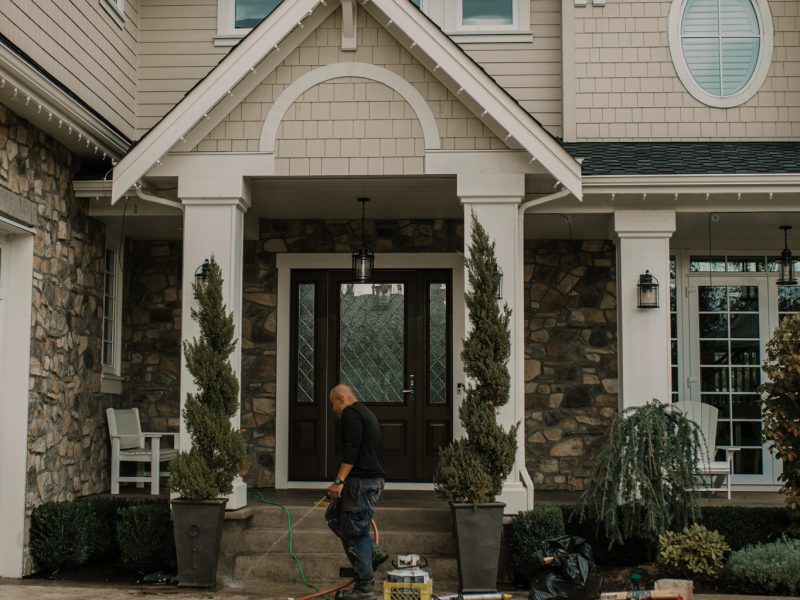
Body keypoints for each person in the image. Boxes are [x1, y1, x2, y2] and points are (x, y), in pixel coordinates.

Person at [325, 384, 388, 600]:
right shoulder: (365, 412)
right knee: (333, 516)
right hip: (366, 481)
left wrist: (338, 480)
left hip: (362, 482)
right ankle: (373, 553)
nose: (332, 409)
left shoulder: (350, 414)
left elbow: (352, 448)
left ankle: (365, 588)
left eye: (333, 403)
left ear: (341, 399)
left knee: (355, 533)